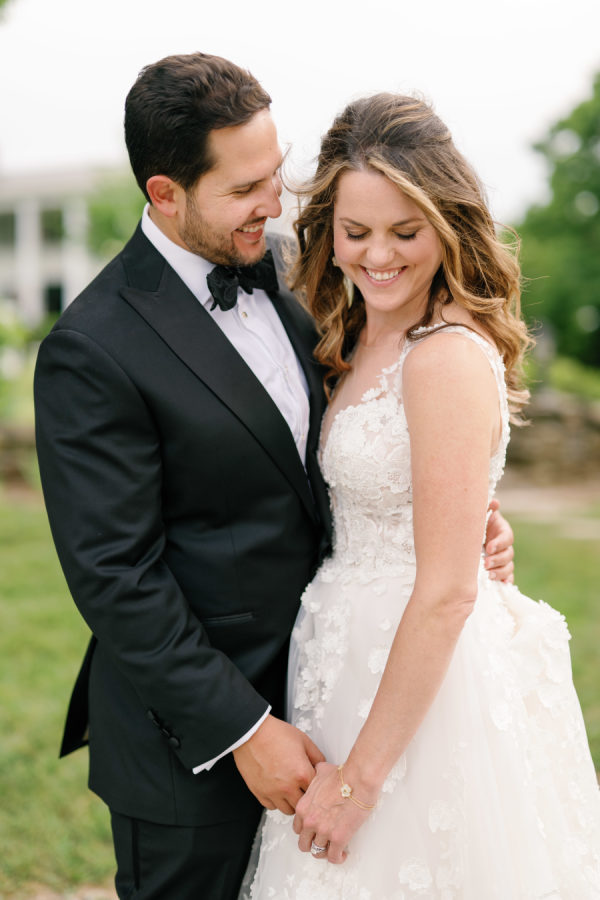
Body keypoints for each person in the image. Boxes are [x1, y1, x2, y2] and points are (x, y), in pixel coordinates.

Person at [33, 54, 515, 900]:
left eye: (276, 169)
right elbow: (115, 575)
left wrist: (458, 516)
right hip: (195, 744)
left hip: (345, 691)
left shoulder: (305, 270)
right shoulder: (93, 347)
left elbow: (358, 443)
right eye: (246, 186)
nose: (278, 201)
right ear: (165, 194)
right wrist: (244, 730)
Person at [247, 94, 600, 899]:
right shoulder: (351, 332)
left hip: (423, 684)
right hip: (344, 658)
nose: (379, 257)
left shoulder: (442, 357)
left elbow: (445, 590)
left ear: (447, 224)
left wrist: (359, 782)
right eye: (356, 232)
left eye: (406, 233)